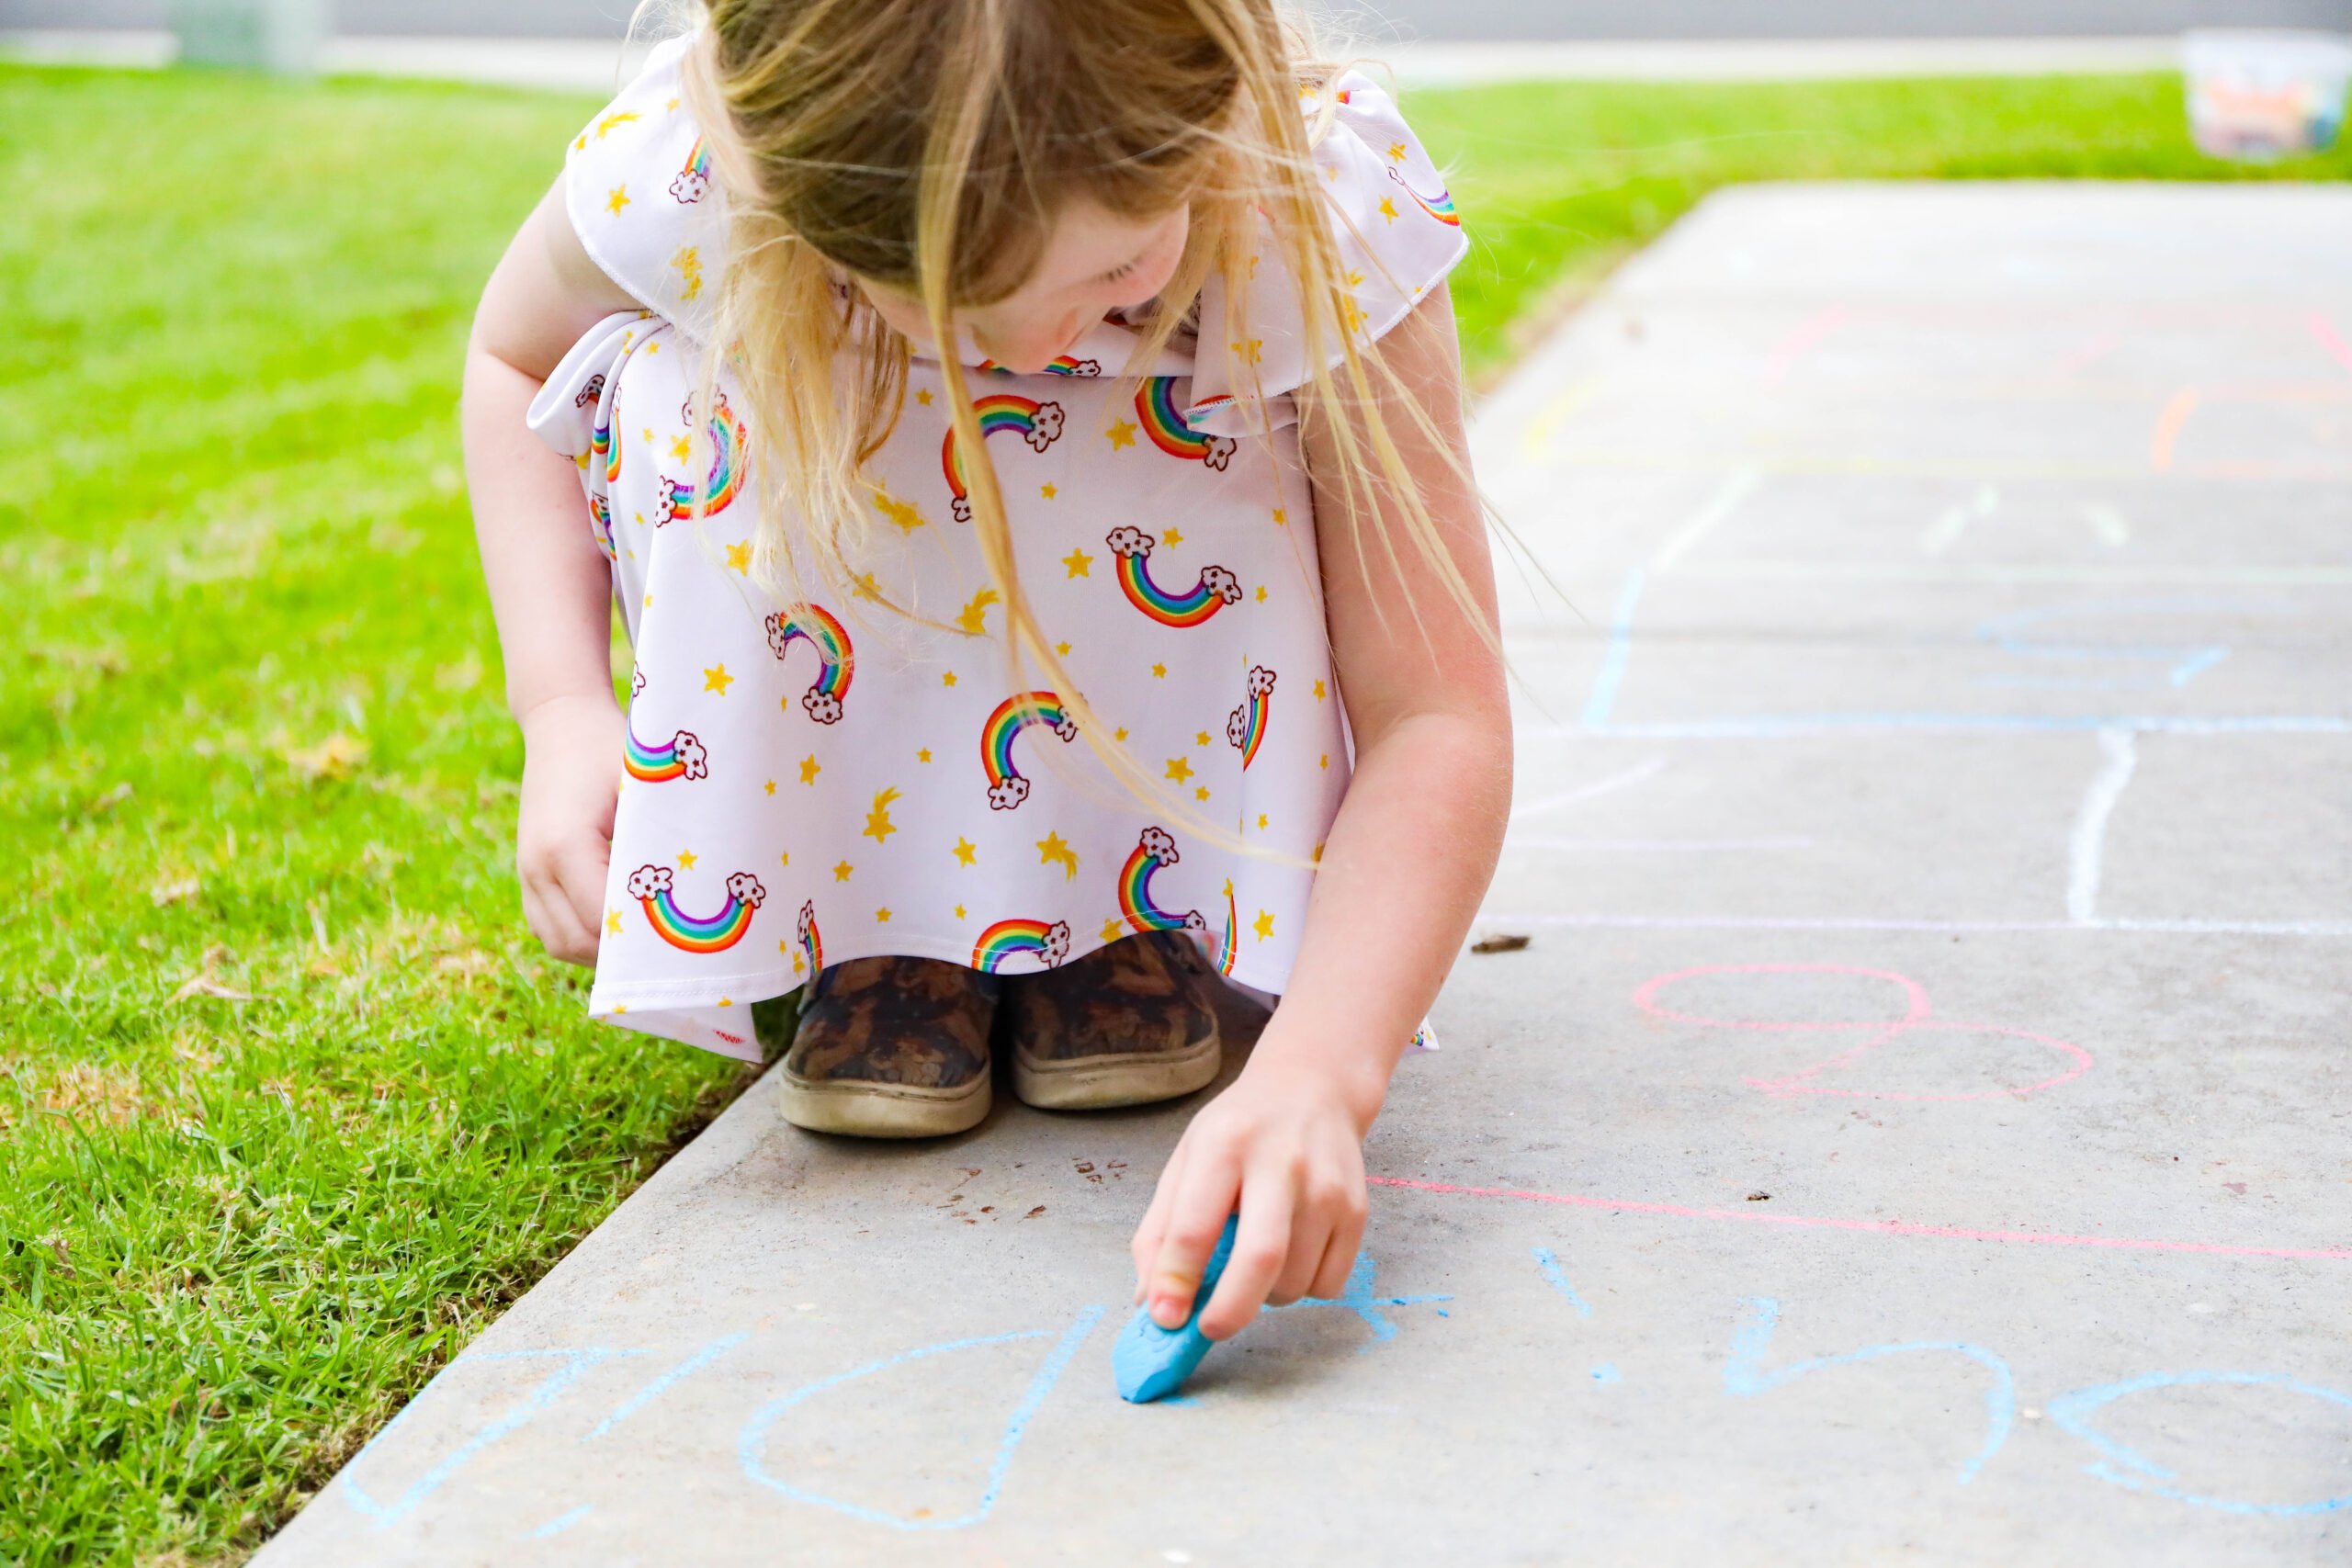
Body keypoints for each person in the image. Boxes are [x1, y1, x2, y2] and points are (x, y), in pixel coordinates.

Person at [461, 0, 1510, 1345]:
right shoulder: (702, 162)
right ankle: (887, 928)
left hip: (1157, 775)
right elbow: (514, 358)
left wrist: (1320, 1069)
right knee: (691, 376)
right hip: (852, 669)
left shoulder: (1314, 200)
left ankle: (1127, 914)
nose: (1018, 352)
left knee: (1156, 415)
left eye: (1121, 277)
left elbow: (1436, 713)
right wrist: (560, 707)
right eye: (939, 304)